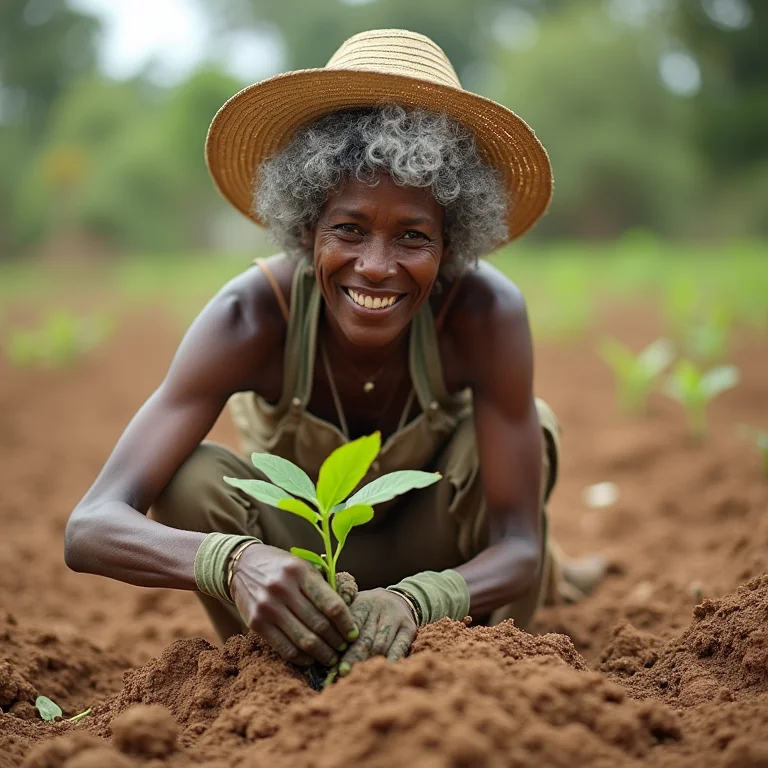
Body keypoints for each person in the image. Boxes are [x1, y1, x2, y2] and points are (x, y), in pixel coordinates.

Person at [64, 29, 604, 677]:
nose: (376, 268)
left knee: (533, 428)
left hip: (446, 582)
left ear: (453, 243)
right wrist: (237, 562)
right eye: (348, 229)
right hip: (300, 579)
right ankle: (294, 672)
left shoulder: (484, 315)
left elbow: (519, 543)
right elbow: (91, 524)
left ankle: (476, 669)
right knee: (190, 478)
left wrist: (420, 597)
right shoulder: (253, 316)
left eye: (413, 236)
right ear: (305, 228)